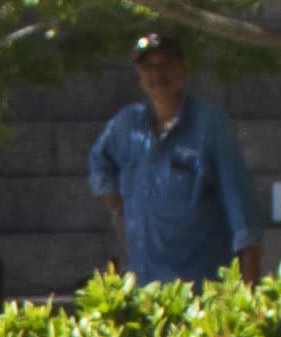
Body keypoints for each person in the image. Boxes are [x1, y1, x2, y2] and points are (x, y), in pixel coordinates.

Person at [88, 31, 266, 290]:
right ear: (140, 76)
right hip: (145, 289)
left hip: (201, 291)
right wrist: (118, 211)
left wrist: (251, 290)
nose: (158, 74)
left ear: (183, 69)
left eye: (166, 65)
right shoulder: (125, 125)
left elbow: (242, 208)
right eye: (148, 67)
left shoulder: (211, 126)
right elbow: (99, 163)